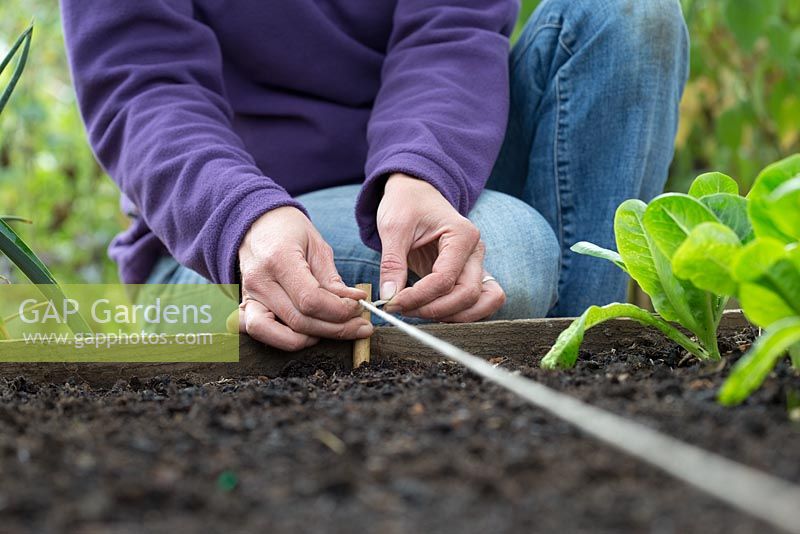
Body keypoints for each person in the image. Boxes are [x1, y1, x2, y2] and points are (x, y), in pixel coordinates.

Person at [61, 0, 689, 351]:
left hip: (432, 173)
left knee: (631, 16)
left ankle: (582, 380)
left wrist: (421, 171)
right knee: (514, 262)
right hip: (235, 232)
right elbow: (144, 84)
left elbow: (449, 24)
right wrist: (242, 218)